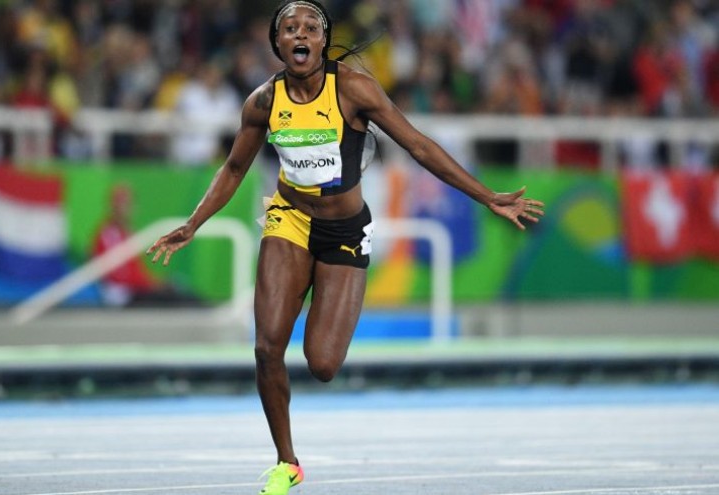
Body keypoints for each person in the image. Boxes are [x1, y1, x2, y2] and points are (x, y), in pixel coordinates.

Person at [146, 1, 545, 494]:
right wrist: (193, 223)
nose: (300, 33)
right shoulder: (263, 102)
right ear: (278, 44)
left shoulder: (354, 89)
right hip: (288, 220)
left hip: (345, 231)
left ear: (322, 41)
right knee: (267, 346)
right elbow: (232, 169)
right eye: (289, 27)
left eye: (311, 27)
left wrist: (487, 196)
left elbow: (418, 146)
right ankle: (286, 462)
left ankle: (322, 294)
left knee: (323, 364)